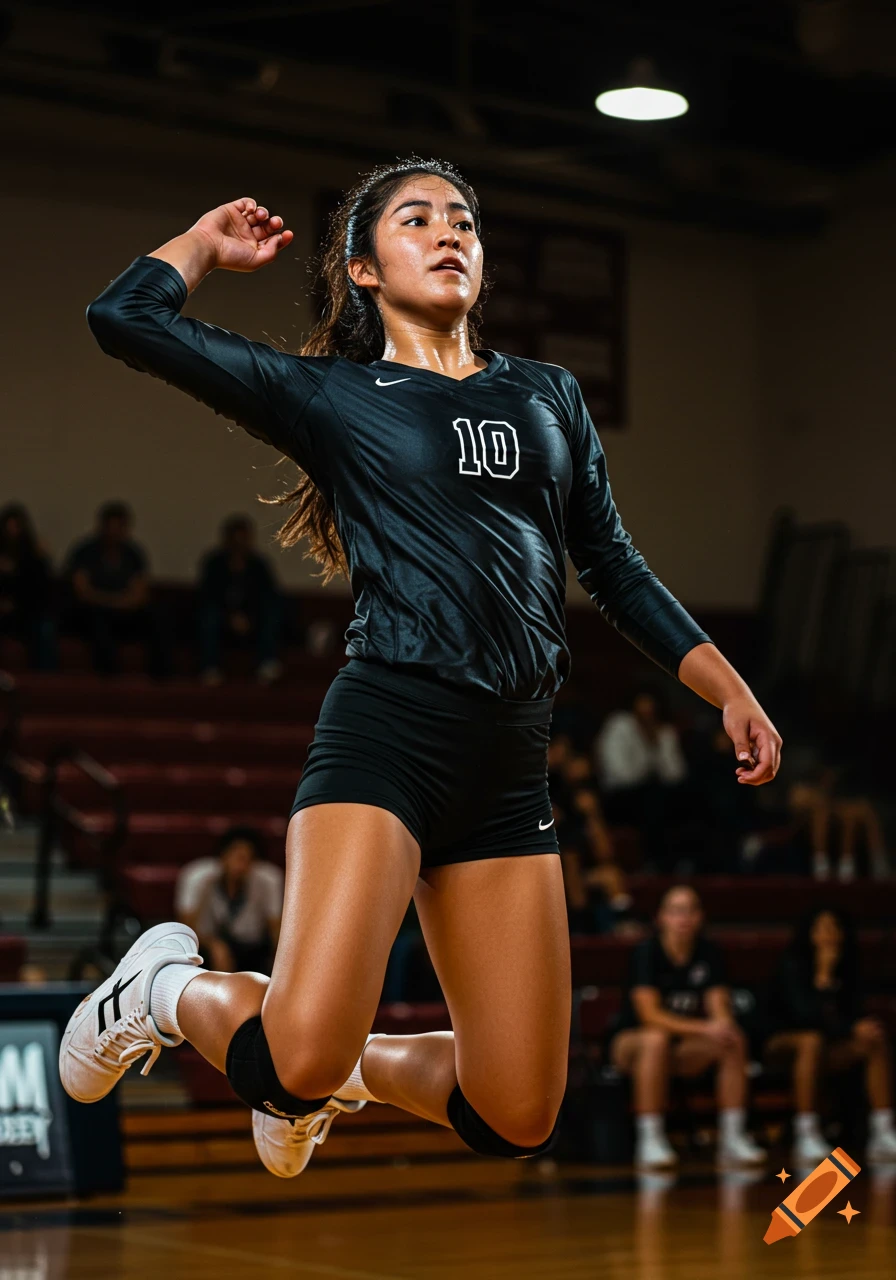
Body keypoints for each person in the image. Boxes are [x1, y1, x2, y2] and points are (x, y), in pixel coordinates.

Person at [60, 161, 782, 1184]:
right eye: (415, 219)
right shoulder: (333, 396)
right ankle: (161, 990)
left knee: (516, 1107)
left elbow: (609, 563)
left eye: (463, 221)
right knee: (291, 1058)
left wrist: (727, 686)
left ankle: (340, 1076)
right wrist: (203, 244)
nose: (449, 233)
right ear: (361, 266)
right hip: (389, 735)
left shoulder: (548, 395)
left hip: (510, 761)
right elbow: (124, 317)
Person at [607, 884, 765, 1169]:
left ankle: (732, 1136)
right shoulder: (647, 953)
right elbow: (650, 1016)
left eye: (691, 910)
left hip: (679, 1048)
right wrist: (706, 1029)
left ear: (700, 917)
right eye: (676, 910)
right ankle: (650, 1138)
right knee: (656, 1039)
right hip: (631, 1045)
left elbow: (719, 1007)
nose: (684, 917)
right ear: (661, 918)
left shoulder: (709, 953)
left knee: (732, 1039)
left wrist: (723, 1025)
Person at [764, 906, 896, 1165]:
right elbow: (803, 1017)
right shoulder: (792, 963)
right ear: (809, 933)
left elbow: (855, 1012)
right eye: (822, 929)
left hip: (828, 1047)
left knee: (874, 1040)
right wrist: (823, 978)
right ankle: (806, 1133)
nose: (829, 935)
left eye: (834, 928)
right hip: (780, 1045)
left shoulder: (847, 965)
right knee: (810, 1041)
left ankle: (883, 1132)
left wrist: (855, 1028)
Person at [65, 502, 170, 677]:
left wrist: (116, 603)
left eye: (119, 528)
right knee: (98, 619)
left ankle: (162, 678)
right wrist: (112, 602)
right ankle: (109, 678)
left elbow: (140, 593)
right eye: (110, 527)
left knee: (159, 615)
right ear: (100, 527)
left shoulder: (134, 554)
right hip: (92, 613)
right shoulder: (84, 552)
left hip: (124, 614)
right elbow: (82, 592)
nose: (114, 533)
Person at [595, 685, 693, 871]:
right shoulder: (619, 726)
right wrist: (648, 751)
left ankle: (686, 864)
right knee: (653, 798)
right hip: (619, 796)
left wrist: (656, 742)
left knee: (684, 797)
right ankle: (655, 864)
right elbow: (620, 774)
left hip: (656, 794)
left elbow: (676, 775)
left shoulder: (664, 732)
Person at [176, 827, 283, 975]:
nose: (240, 865)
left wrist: (281, 965)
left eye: (247, 858)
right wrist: (213, 945)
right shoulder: (197, 876)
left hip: (253, 949)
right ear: (222, 856)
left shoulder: (269, 880)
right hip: (205, 947)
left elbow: (275, 929)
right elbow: (186, 926)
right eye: (236, 856)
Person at [198, 515, 284, 685]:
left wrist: (248, 617)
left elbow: (269, 596)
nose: (239, 545)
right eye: (235, 540)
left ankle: (268, 664)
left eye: (243, 540)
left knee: (271, 614)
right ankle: (210, 668)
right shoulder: (214, 563)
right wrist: (230, 617)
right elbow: (207, 596)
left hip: (253, 619)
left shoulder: (259, 565)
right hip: (222, 617)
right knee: (208, 617)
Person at [0, 504, 56, 670]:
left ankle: (45, 682)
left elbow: (40, 591)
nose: (12, 533)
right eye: (8, 527)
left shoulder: (34, 556)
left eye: (16, 527)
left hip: (27, 611)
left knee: (45, 629)